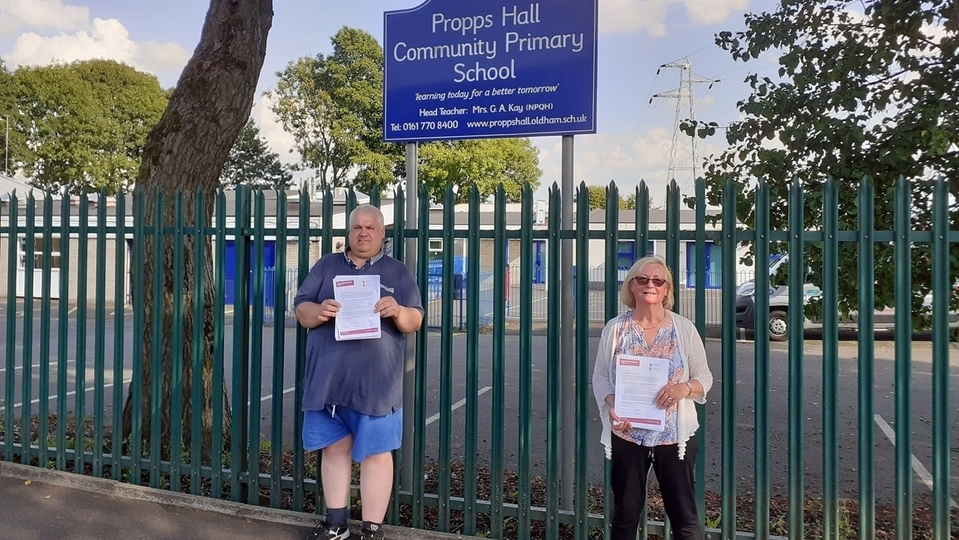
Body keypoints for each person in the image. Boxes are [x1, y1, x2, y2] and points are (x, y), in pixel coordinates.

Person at [294, 204, 424, 540]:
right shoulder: (326, 266)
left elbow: (416, 321)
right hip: (328, 382)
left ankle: (371, 530)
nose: (363, 233)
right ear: (349, 233)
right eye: (357, 227)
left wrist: (397, 310)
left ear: (382, 234)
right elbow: (301, 309)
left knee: (377, 456)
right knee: (334, 451)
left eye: (370, 227)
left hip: (376, 387)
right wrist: (319, 310)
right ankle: (336, 524)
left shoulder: (397, 273)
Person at [591, 255, 713, 540]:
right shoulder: (615, 328)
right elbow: (599, 377)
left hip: (674, 437)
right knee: (625, 515)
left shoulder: (683, 329)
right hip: (628, 433)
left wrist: (683, 389)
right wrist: (611, 403)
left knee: (684, 518)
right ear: (631, 286)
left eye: (658, 280)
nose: (650, 285)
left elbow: (705, 377)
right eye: (642, 279)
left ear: (667, 289)